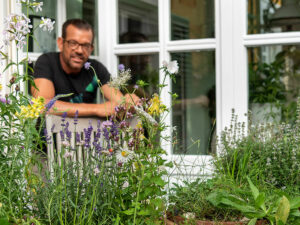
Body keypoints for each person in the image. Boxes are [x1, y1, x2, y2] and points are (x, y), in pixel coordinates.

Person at [32, 18, 139, 117]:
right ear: (60, 43)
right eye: (73, 43)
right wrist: (97, 109)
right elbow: (42, 105)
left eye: (85, 45)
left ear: (91, 48)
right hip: (48, 136)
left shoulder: (95, 68)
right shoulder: (47, 62)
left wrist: (129, 103)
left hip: (84, 136)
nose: (79, 50)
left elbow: (119, 103)